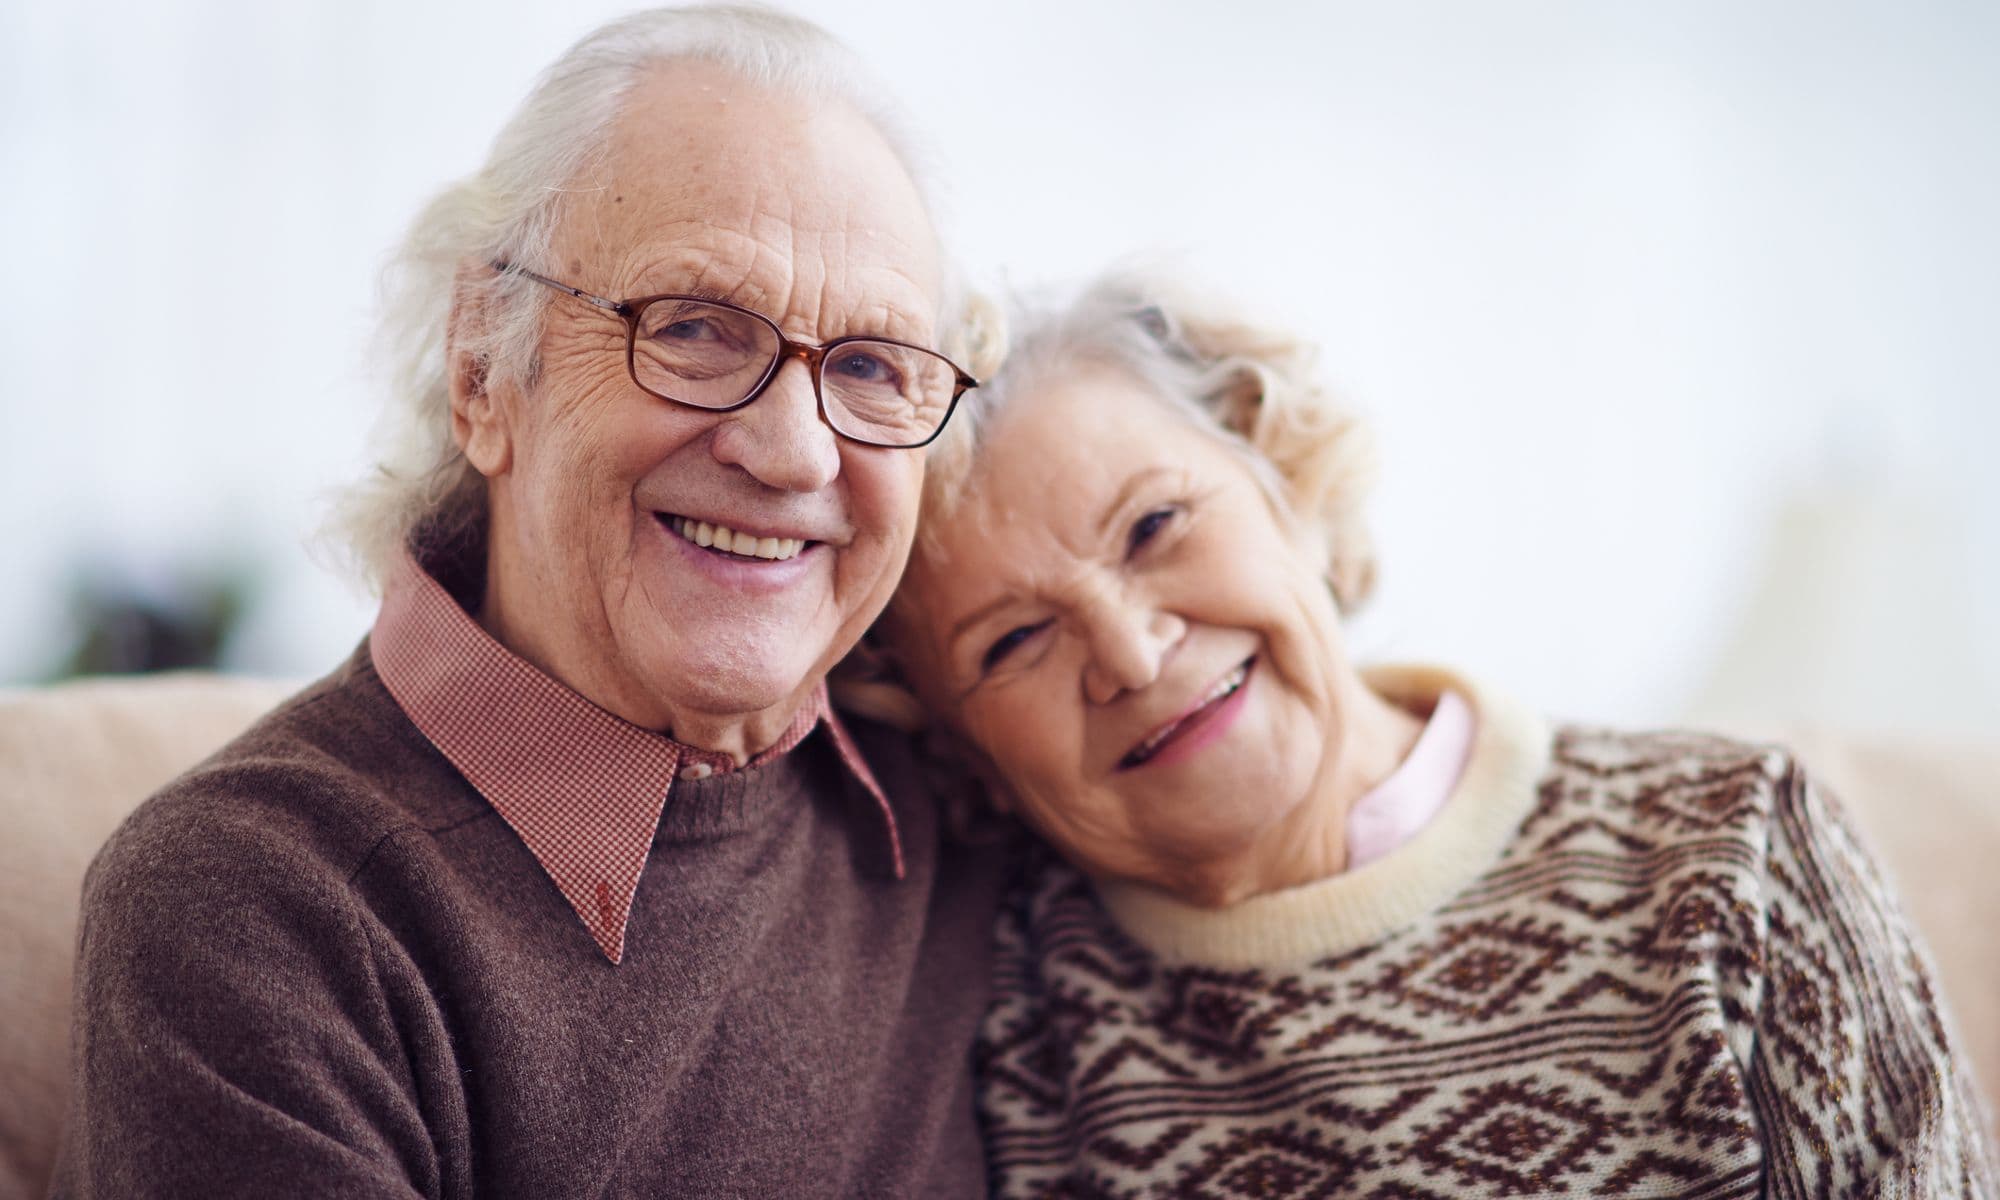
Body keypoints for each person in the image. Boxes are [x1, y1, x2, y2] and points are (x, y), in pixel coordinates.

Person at [54, 8, 1003, 1197]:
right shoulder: (255, 910)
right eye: (695, 329)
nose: (793, 452)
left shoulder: (962, 795)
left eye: (869, 364)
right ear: (482, 372)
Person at [872, 269, 2000, 1197]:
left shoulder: (1731, 843)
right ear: (960, 748)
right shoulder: (1008, 995)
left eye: (1155, 525)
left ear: (1292, 493)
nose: (1126, 652)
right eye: (1009, 642)